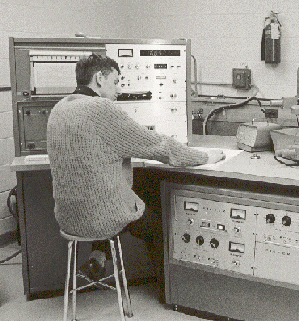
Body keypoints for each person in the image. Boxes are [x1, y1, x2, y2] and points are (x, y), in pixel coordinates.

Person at [47, 53, 225, 301]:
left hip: (69, 218)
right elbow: (158, 146)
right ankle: (174, 293)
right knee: (158, 222)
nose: (118, 90)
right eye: (116, 82)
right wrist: (205, 157)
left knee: (134, 186)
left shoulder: (60, 108)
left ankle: (98, 254)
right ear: (99, 78)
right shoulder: (101, 108)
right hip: (100, 218)